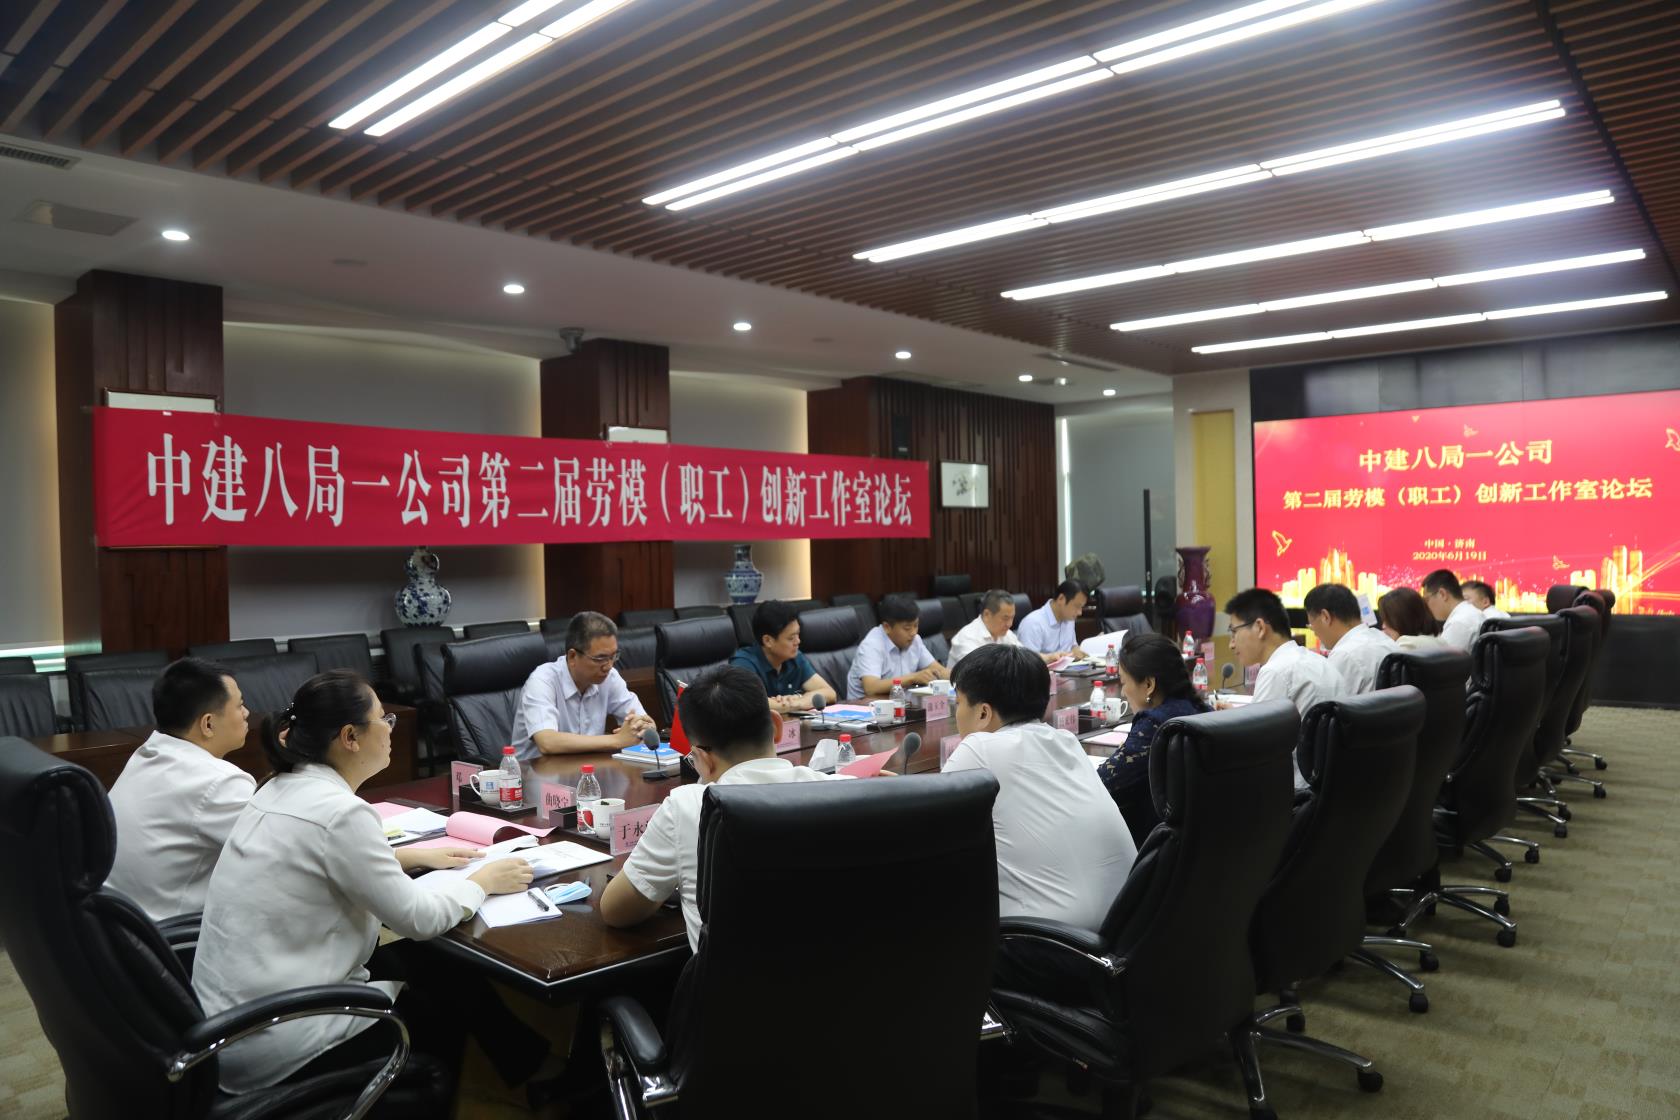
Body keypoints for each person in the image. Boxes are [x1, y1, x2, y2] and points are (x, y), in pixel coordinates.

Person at [193, 670, 557, 1098]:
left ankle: (529, 1065)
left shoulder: (274, 788)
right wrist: (483, 881)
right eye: (384, 719)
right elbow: (420, 918)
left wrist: (407, 858)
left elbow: (318, 864)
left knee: (430, 964)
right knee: (435, 1000)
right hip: (281, 1032)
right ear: (350, 737)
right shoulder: (340, 812)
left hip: (227, 1025)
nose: (390, 728)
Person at [600, 667, 839, 949]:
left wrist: (667, 879)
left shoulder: (688, 805)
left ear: (702, 757)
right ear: (776, 727)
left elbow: (615, 911)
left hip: (734, 978)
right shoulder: (844, 792)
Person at [942, 644, 1135, 930]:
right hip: (1128, 923)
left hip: (1047, 939)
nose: (955, 713)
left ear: (983, 713)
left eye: (958, 703)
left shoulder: (980, 747)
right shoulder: (1066, 740)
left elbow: (927, 825)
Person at [106, 658, 256, 922]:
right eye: (240, 705)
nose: (247, 713)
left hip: (115, 924)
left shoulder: (147, 753)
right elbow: (278, 849)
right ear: (208, 724)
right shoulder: (221, 782)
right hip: (169, 936)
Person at [1096, 634, 1210, 848]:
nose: (1123, 692)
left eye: (1124, 682)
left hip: (1158, 848)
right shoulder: (1203, 709)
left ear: (1148, 684)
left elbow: (1101, 783)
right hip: (1202, 844)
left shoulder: (1154, 724)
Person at [1225, 588, 1342, 790]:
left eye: (1234, 632)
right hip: (1330, 787)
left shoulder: (1276, 671)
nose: (1231, 644)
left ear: (1260, 627)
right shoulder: (1317, 661)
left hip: (1295, 792)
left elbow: (1255, 747)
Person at [510, 611, 654, 758]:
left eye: (613, 656)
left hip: (585, 768)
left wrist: (645, 727)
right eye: (600, 658)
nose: (608, 666)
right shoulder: (543, 680)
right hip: (533, 770)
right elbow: (547, 742)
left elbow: (644, 722)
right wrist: (617, 740)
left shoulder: (610, 677)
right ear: (573, 656)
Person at [729, 600, 838, 713]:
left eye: (798, 634)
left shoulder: (795, 658)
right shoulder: (743, 663)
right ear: (768, 641)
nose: (798, 641)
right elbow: (748, 702)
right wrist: (791, 705)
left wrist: (800, 700)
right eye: (791, 638)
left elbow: (829, 693)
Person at [846, 593, 948, 699]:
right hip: (867, 707)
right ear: (887, 627)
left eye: (916, 625)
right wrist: (913, 678)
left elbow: (939, 671)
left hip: (902, 705)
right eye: (907, 628)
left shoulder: (914, 640)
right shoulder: (872, 645)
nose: (913, 632)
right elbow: (871, 688)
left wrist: (956, 675)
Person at [1304, 582, 1398, 695]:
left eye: (1311, 624)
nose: (1315, 633)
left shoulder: (1345, 655)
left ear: (1325, 617)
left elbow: (1328, 702)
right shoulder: (1383, 639)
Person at [949, 589, 1028, 666]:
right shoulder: (967, 637)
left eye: (1012, 617)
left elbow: (1025, 658)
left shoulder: (1007, 634)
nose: (1010, 624)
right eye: (1005, 618)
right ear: (987, 614)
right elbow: (978, 671)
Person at [1016, 579, 1086, 659]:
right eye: (1077, 606)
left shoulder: (1069, 619)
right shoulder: (1032, 623)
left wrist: (1079, 651)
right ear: (1061, 599)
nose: (1080, 612)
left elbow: (1072, 646)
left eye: (1081, 607)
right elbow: (1028, 660)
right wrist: (1050, 658)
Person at [1422, 569, 1486, 651]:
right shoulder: (1470, 612)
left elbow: (1444, 658)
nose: (1427, 606)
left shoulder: (1459, 622)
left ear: (1442, 594)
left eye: (1427, 600)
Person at [1378, 587, 1447, 650]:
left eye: (1388, 620)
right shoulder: (1441, 642)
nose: (1383, 626)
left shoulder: (1406, 645)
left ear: (1404, 619)